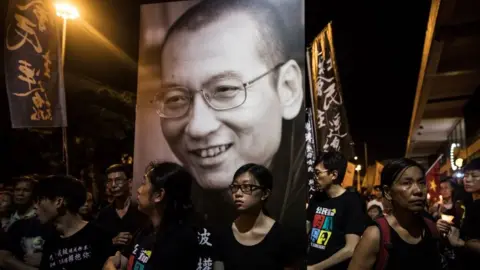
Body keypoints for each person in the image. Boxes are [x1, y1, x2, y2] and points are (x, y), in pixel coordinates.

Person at [153, 0, 305, 228]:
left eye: (225, 90)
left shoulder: (308, 202)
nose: (197, 127)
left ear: (288, 88)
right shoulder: (176, 202)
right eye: (176, 98)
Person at [348, 158, 446, 270]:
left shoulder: (431, 228)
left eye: (421, 183)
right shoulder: (375, 235)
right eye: (407, 183)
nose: (418, 190)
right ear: (388, 192)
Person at [103, 162, 198, 270]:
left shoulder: (179, 241)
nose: (138, 190)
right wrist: (114, 260)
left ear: (158, 195)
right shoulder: (146, 230)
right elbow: (123, 258)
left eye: (144, 184)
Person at [213, 163, 303, 269]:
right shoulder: (224, 235)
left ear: (265, 193)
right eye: (235, 187)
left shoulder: (282, 237)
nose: (238, 193)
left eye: (246, 187)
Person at [34, 175, 115, 269]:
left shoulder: (98, 236)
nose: (35, 206)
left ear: (59, 202)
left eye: (40, 200)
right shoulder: (50, 242)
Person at [307, 151, 365, 270]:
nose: (315, 178)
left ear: (333, 174)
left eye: (318, 173)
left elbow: (350, 249)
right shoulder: (317, 198)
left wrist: (315, 268)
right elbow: (307, 228)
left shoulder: (352, 202)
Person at [0, 176, 53, 270]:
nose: (20, 194)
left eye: (26, 190)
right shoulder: (8, 216)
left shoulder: (43, 219)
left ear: (34, 194)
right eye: (17, 190)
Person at [437, 157, 480, 269]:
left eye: (474, 175)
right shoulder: (465, 202)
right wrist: (444, 227)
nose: (467, 179)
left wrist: (463, 243)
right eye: (465, 175)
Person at [96, 164, 148, 251]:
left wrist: (135, 241)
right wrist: (112, 241)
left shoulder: (142, 210)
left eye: (118, 180)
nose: (113, 185)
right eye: (109, 181)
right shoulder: (104, 214)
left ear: (129, 182)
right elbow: (97, 244)